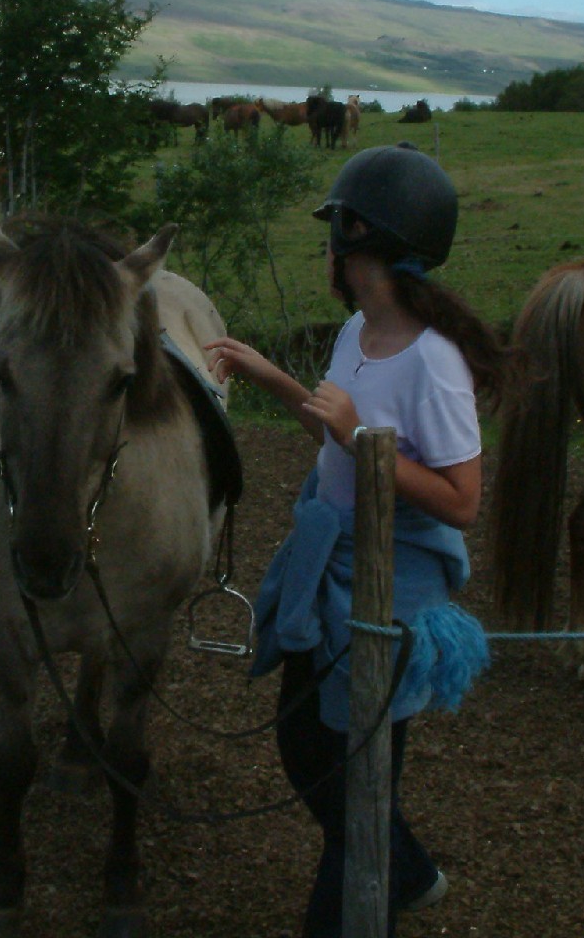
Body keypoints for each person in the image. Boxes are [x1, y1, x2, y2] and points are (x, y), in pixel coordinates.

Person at [204, 141, 512, 937]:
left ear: (358, 241)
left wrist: (358, 439)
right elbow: (338, 419)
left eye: (333, 234)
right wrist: (271, 376)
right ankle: (406, 871)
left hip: (385, 590)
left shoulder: (435, 363)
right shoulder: (358, 332)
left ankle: (362, 900)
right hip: (330, 572)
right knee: (311, 751)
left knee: (352, 779)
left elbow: (462, 502)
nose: (327, 251)